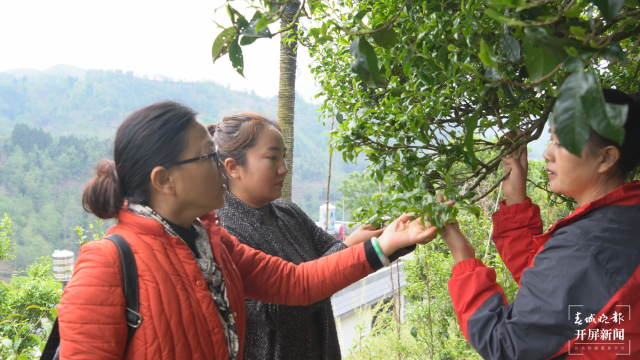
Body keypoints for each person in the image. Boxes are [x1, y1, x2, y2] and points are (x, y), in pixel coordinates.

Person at [57, 101, 436, 360]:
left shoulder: (215, 246)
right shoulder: (106, 265)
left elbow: (297, 283)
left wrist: (383, 245)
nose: (221, 168)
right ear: (165, 180)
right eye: (209, 157)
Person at [440, 89, 640, 359]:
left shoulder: (586, 246)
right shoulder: (622, 218)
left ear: (606, 158)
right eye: (551, 140)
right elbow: (555, 288)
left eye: (562, 142)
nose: (547, 153)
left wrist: (463, 257)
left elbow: (505, 344)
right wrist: (515, 199)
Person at [210, 114, 415, 360]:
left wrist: (405, 235)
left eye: (283, 156)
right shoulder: (222, 230)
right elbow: (277, 311)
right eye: (272, 157)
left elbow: (340, 262)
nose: (283, 168)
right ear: (233, 167)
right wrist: (352, 246)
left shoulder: (288, 213)